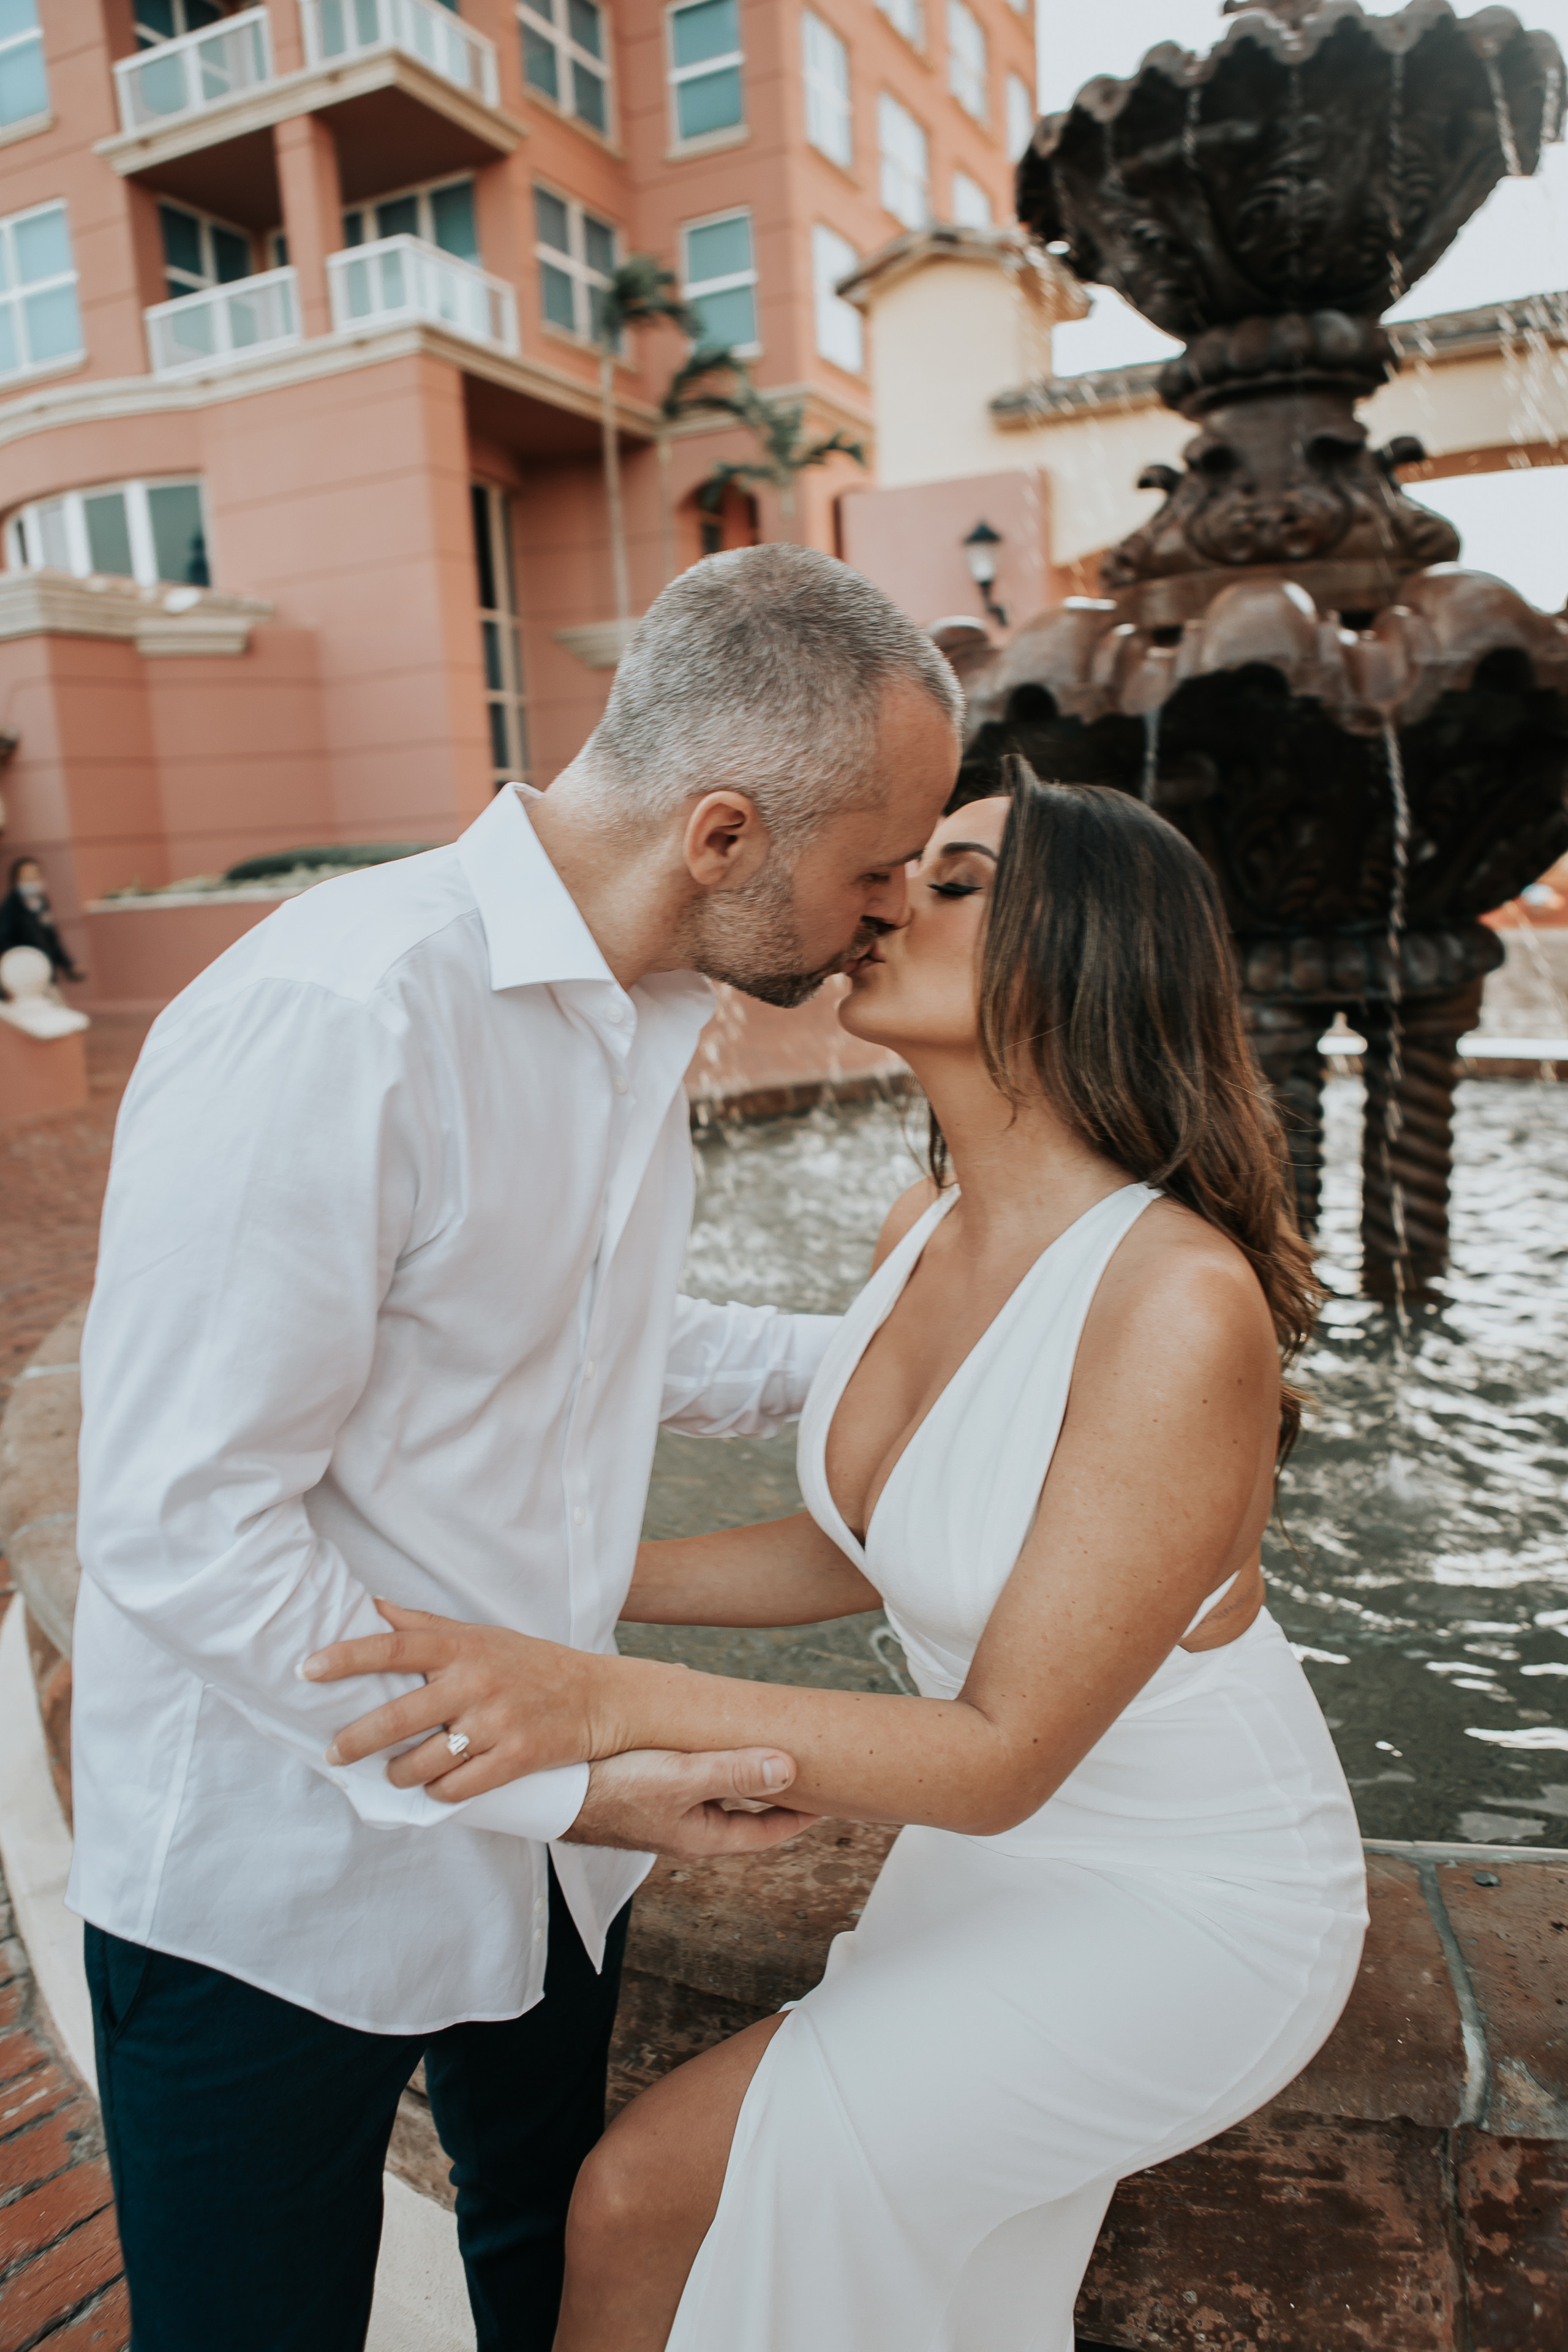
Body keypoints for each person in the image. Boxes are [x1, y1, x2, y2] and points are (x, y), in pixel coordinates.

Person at [314, 758, 1370, 2352]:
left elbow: (1005, 1750)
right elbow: (852, 1550)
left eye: (955, 886)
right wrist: (539, 1579)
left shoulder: (1177, 1303)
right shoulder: (922, 1225)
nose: (887, 904)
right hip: (995, 1862)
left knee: (640, 2198)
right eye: (903, 871)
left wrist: (597, 1699)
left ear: (1080, 955)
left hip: (1185, 1896)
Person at [69, 545, 963, 2352]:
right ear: (721, 835)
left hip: (549, 1860)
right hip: (280, 1878)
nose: (885, 912)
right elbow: (180, 1522)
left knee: (555, 2287)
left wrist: (938, 1352)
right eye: (872, 865)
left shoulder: (646, 1008)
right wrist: (567, 1780)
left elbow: (601, 1344)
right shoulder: (339, 1016)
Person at [0, 854, 83, 982]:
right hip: (25, 974)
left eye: (35, 875)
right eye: (27, 877)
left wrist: (68, 965)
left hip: (46, 971)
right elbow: (4, 940)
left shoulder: (41, 903)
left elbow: (52, 939)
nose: (32, 880)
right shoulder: (10, 907)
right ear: (17, 879)